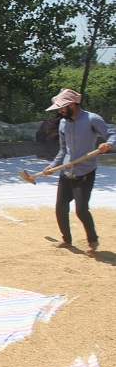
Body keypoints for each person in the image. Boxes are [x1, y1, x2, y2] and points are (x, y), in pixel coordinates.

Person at [42, 88, 115, 255]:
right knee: (60, 207)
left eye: (62, 107)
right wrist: (52, 166)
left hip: (85, 171)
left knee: (81, 209)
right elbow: (62, 149)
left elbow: (112, 135)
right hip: (66, 170)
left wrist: (108, 145)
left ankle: (92, 240)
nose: (60, 111)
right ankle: (66, 239)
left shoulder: (92, 119)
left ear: (72, 104)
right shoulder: (63, 123)